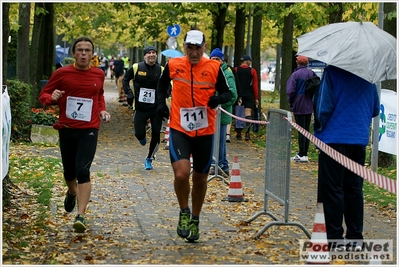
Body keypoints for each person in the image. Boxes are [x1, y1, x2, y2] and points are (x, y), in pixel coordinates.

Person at [156, 30, 232, 243]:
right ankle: (183, 212)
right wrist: (161, 103)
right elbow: (162, 86)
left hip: (205, 132)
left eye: (198, 48)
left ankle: (196, 219)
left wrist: (218, 99)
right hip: (180, 128)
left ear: (204, 48)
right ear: (185, 47)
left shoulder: (214, 68)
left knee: (199, 178)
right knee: (181, 174)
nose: (194, 52)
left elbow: (228, 94)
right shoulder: (173, 65)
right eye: (190, 47)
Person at [38, 36, 111, 233]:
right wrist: (51, 98)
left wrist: (102, 110)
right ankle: (71, 192)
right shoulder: (62, 73)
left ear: (92, 54)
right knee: (69, 172)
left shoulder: (98, 74)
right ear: (73, 54)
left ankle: (81, 215)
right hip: (67, 129)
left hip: (89, 129)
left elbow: (100, 94)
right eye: (80, 50)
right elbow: (43, 95)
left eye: (87, 50)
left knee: (82, 170)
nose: (84, 54)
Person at [314, 65, 379, 247]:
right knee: (354, 189)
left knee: (333, 188)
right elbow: (375, 109)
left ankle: (334, 237)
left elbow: (322, 107)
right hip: (358, 140)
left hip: (334, 139)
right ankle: (355, 236)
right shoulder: (369, 75)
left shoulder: (332, 72)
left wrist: (318, 128)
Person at [122, 46, 165, 170]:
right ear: (145, 55)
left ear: (156, 55)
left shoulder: (161, 69)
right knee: (139, 133)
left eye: (154, 53)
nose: (151, 55)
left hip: (156, 108)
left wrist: (166, 93)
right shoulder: (136, 67)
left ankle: (149, 158)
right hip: (140, 107)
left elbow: (167, 83)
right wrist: (128, 92)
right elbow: (125, 79)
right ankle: (142, 137)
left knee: (156, 133)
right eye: (149, 53)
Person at [208, 48, 238, 177]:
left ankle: (220, 165)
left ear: (222, 61)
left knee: (219, 141)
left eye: (217, 59)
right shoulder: (210, 71)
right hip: (212, 113)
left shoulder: (227, 74)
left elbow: (233, 95)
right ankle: (220, 164)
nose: (215, 61)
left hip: (222, 113)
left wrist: (219, 103)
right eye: (212, 59)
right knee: (214, 141)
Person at [286, 55, 314, 163]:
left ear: (298, 62)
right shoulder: (311, 73)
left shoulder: (295, 75)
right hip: (309, 104)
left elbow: (291, 90)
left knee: (300, 130)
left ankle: (301, 153)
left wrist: (291, 101)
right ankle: (305, 153)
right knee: (306, 129)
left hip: (299, 104)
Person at [234, 55, 259, 141]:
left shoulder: (236, 70)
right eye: (250, 61)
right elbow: (255, 85)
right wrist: (256, 98)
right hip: (248, 94)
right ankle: (247, 133)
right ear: (247, 61)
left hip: (238, 95)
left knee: (239, 113)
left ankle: (238, 133)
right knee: (248, 113)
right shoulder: (252, 71)